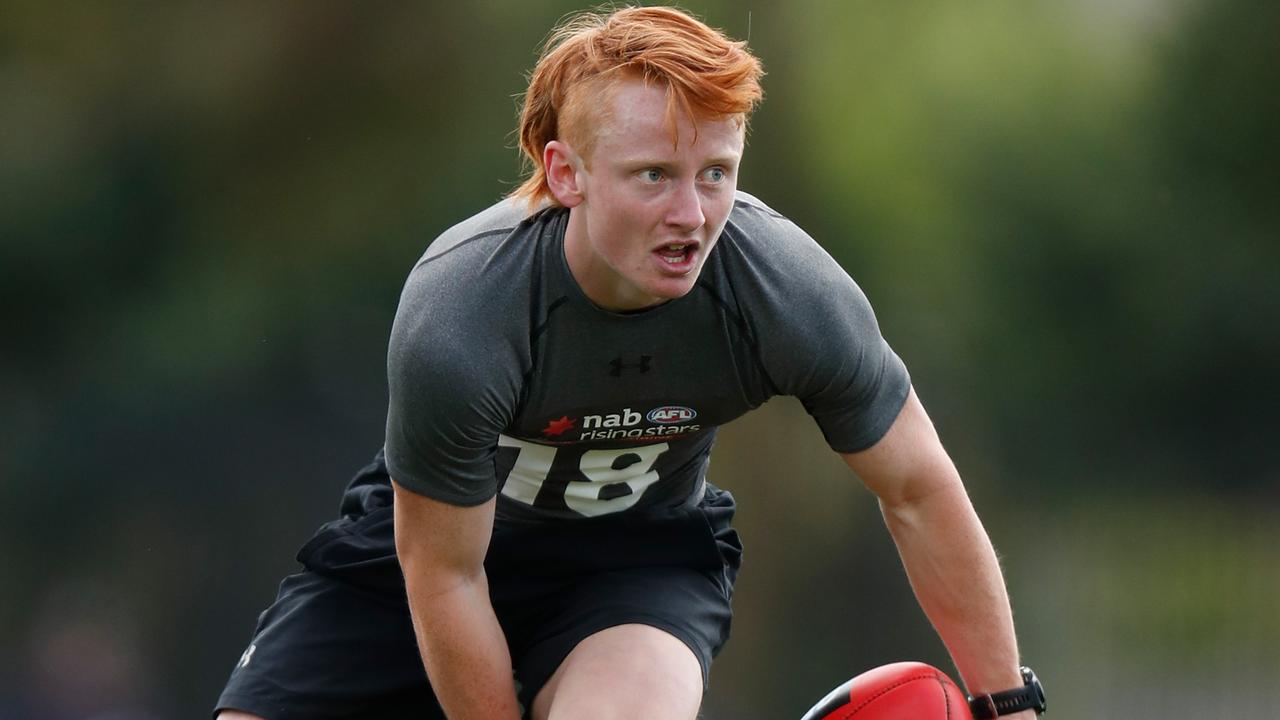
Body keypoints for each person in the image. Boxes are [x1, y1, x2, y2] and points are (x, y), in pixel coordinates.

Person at [215, 7, 1040, 720]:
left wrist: (1009, 704)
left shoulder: (783, 289)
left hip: (636, 567)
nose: (693, 214)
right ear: (564, 173)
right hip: (430, 564)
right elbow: (445, 574)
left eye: (716, 174)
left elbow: (918, 488)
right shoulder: (463, 311)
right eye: (654, 175)